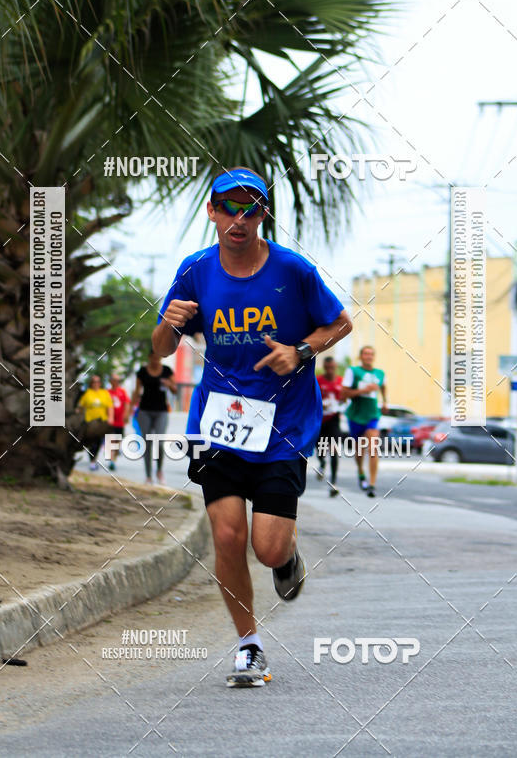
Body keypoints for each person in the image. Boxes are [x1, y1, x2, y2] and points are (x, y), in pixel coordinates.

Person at [153, 167, 352, 687]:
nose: (239, 219)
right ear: (213, 213)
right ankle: (249, 646)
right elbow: (160, 349)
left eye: (250, 208)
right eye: (228, 208)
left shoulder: (293, 270)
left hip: (284, 424)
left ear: (263, 214)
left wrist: (301, 350)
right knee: (226, 534)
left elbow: (340, 323)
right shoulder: (196, 270)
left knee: (266, 547)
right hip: (218, 423)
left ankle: (286, 558)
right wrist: (168, 324)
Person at [340, 346, 387, 498]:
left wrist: (385, 402)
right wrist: (363, 391)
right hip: (355, 416)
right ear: (361, 356)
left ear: (374, 357)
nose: (368, 356)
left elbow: (383, 387)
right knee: (359, 451)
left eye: (371, 354)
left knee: (373, 447)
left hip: (372, 415)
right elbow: (344, 394)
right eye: (366, 354)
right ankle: (361, 472)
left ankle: (372, 485)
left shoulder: (380, 374)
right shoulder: (353, 371)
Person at [131, 352, 178, 485]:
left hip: (161, 411)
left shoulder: (167, 371)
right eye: (154, 357)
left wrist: (169, 384)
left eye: (159, 357)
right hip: (144, 410)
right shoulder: (142, 371)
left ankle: (159, 470)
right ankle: (148, 476)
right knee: (147, 443)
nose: (156, 360)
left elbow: (175, 390)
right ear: (150, 357)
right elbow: (136, 391)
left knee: (160, 442)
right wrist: (129, 409)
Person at [316, 356, 343, 496]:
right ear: (325, 367)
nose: (330, 370)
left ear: (335, 367)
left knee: (334, 451)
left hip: (334, 419)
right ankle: (321, 463)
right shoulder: (318, 381)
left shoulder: (340, 382)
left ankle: (334, 483)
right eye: (328, 368)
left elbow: (345, 399)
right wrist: (322, 404)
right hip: (320, 419)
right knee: (320, 447)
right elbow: (312, 398)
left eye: (333, 367)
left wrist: (341, 406)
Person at [77, 375, 114, 470]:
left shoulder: (104, 393)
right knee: (90, 441)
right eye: (94, 382)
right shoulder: (87, 393)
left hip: (101, 421)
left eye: (98, 382)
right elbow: (80, 406)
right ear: (91, 383)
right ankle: (92, 460)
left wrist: (110, 418)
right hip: (90, 422)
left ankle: (94, 460)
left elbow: (110, 406)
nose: (96, 384)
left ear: (100, 383)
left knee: (98, 441)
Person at [107, 372, 131, 471]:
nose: (116, 382)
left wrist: (126, 415)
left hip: (120, 421)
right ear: (111, 381)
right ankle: (111, 460)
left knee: (117, 441)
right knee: (111, 439)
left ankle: (114, 459)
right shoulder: (107, 392)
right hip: (110, 421)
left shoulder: (122, 391)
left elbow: (127, 403)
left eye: (118, 380)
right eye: (114, 380)